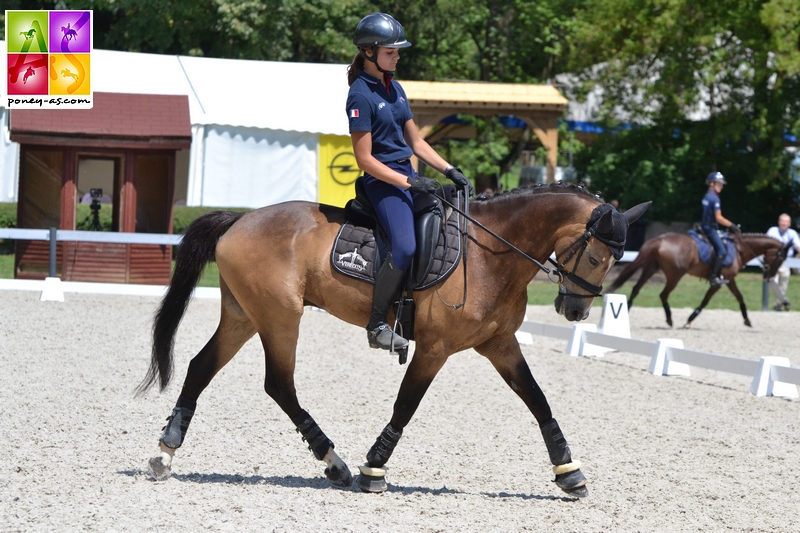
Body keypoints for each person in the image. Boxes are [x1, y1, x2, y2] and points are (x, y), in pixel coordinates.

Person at [346, 12, 474, 352]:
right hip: (383, 183)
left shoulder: (395, 88)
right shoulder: (360, 95)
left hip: (408, 178)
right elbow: (364, 159)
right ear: (370, 52)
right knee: (404, 246)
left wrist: (449, 170)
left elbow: (417, 143)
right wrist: (407, 182)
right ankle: (376, 325)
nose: (398, 56)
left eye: (398, 51)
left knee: (450, 215)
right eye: (392, 52)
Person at [700, 172, 738, 286]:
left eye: (722, 184)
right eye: (719, 183)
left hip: (705, 225)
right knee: (721, 251)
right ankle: (713, 277)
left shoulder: (707, 196)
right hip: (710, 228)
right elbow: (718, 218)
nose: (721, 186)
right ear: (712, 183)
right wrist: (732, 225)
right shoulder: (715, 199)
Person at [766, 213, 800, 311]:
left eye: (786, 222)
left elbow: (798, 247)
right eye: (782, 221)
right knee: (773, 282)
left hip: (785, 263)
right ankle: (785, 301)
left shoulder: (792, 233)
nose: (784, 223)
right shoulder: (772, 231)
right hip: (773, 262)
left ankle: (778, 306)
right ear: (779, 222)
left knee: (783, 285)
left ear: (789, 224)